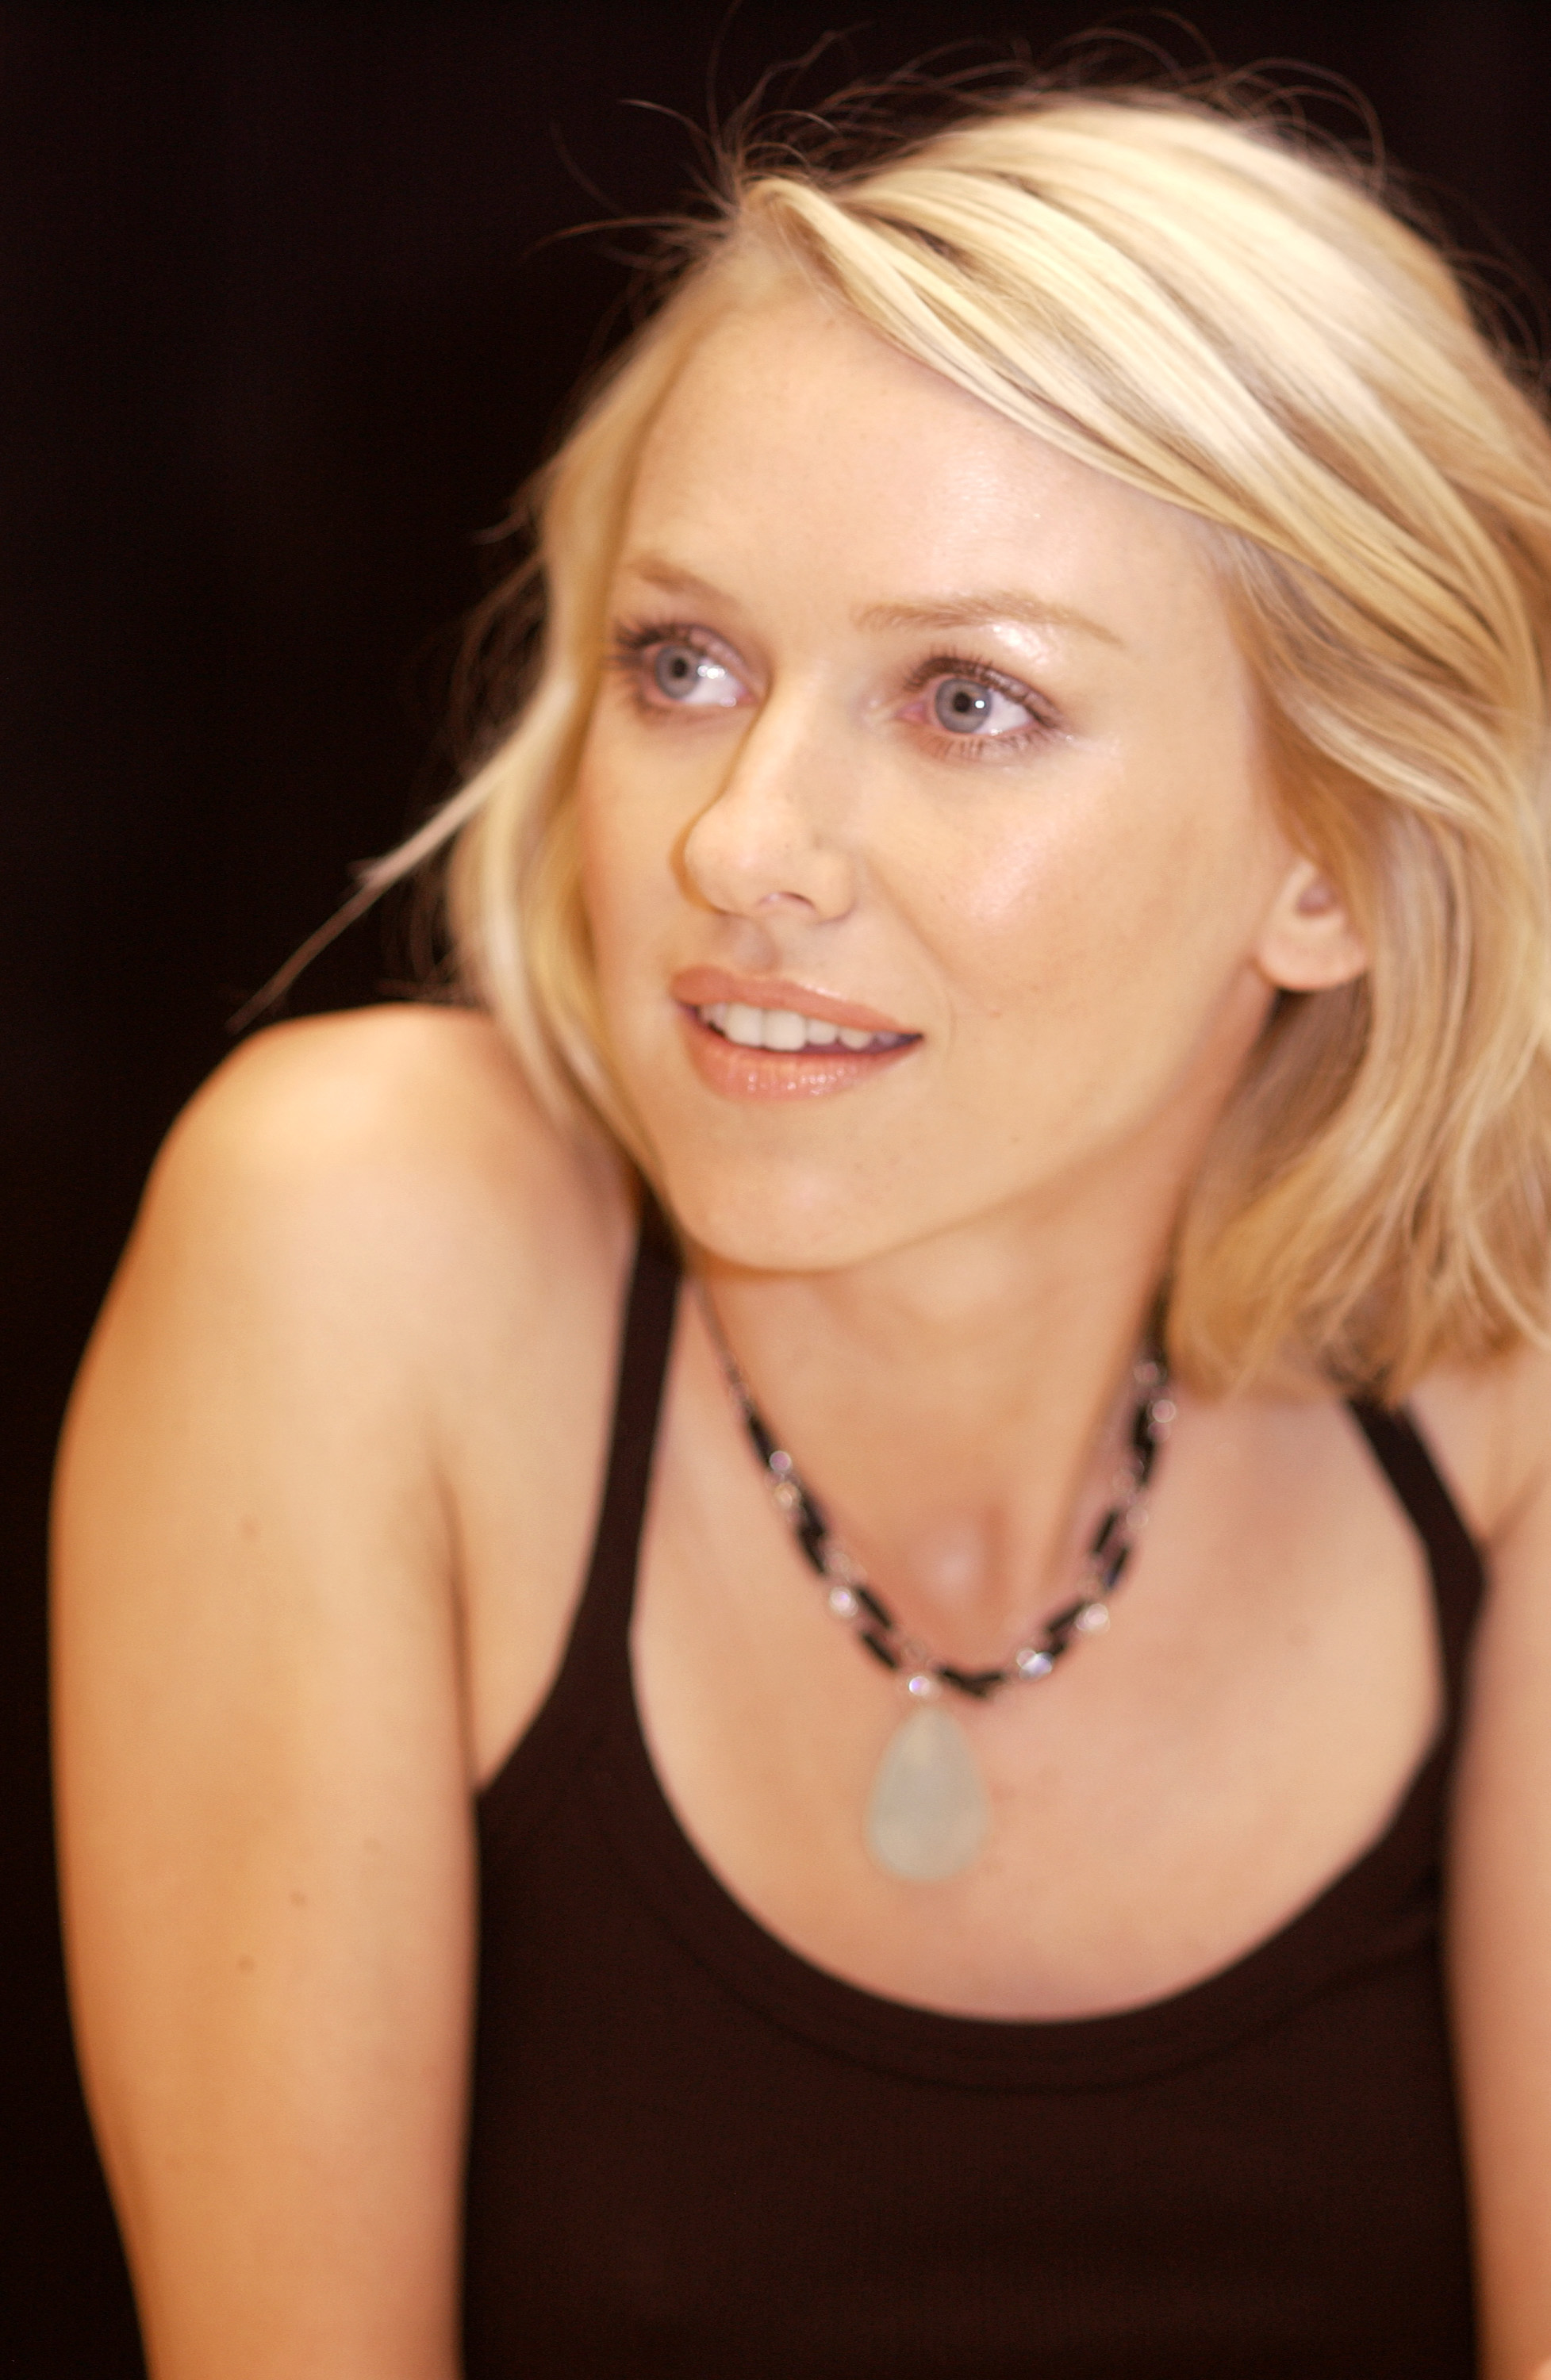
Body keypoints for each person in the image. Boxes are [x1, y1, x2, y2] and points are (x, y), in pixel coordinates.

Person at [51, 69, 1551, 2380]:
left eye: (968, 700)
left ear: (1331, 863)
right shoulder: (360, 1239)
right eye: (686, 666)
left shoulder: (1503, 1381)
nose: (739, 842)